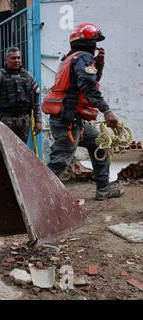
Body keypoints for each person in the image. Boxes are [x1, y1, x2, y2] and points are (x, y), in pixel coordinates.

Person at [43, 23, 124, 201]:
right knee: (60, 162)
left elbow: (86, 82)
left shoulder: (70, 58)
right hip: (68, 120)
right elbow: (88, 87)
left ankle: (103, 188)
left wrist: (99, 66)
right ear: (89, 42)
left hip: (73, 119)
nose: (96, 46)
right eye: (95, 41)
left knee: (99, 144)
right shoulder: (84, 58)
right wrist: (107, 111)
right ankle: (38, 200)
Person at [0, 47, 42, 143]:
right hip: (6, 120)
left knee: (22, 149)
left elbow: (36, 101)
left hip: (24, 120)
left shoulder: (28, 76)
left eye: (18, 58)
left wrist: (38, 121)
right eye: (13, 58)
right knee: (8, 149)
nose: (16, 60)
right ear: (6, 60)